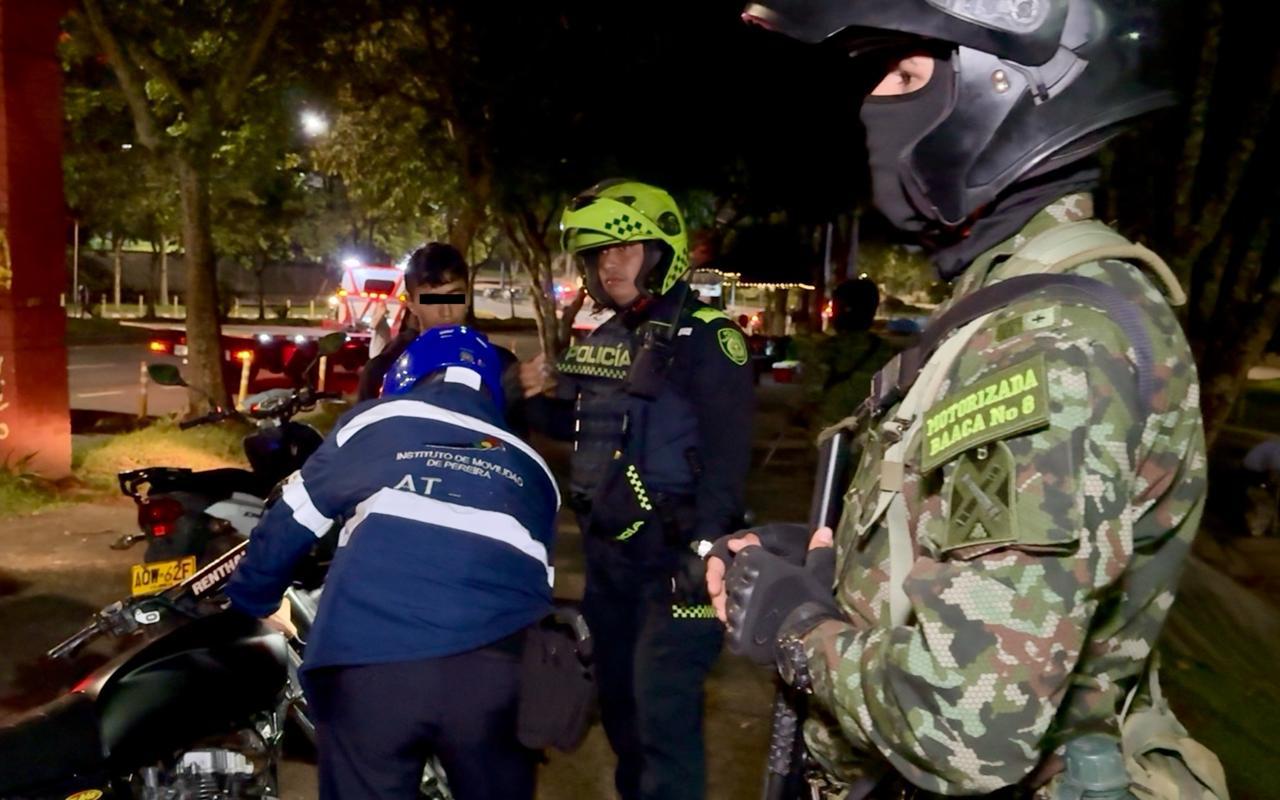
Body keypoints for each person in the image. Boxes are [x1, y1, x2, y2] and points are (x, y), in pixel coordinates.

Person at [709, 2, 1220, 797]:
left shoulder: (1051, 342)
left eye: (909, 75)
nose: (874, 106)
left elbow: (965, 723)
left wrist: (795, 629)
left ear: (1007, 92)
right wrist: (838, 564)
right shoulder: (1009, 307)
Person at [226, 325, 559, 800]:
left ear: (404, 378)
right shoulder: (535, 467)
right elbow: (537, 586)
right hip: (493, 676)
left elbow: (290, 522)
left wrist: (249, 599)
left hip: (371, 664)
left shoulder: (376, 420)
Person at [520, 179, 754, 800]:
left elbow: (729, 461)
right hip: (610, 561)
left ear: (661, 254)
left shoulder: (709, 337)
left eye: (625, 250)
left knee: (662, 719)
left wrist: (705, 551)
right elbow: (576, 427)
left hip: (676, 564)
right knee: (620, 711)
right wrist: (517, 400)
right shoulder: (605, 340)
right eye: (599, 254)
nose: (610, 264)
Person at [357, 243, 521, 415]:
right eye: (431, 300)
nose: (446, 312)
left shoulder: (501, 364)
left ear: (467, 298)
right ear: (411, 303)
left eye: (455, 297)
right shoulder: (381, 369)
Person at [798, 277, 892, 430]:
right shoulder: (885, 350)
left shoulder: (826, 350)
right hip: (868, 432)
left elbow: (810, 395)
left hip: (829, 432)